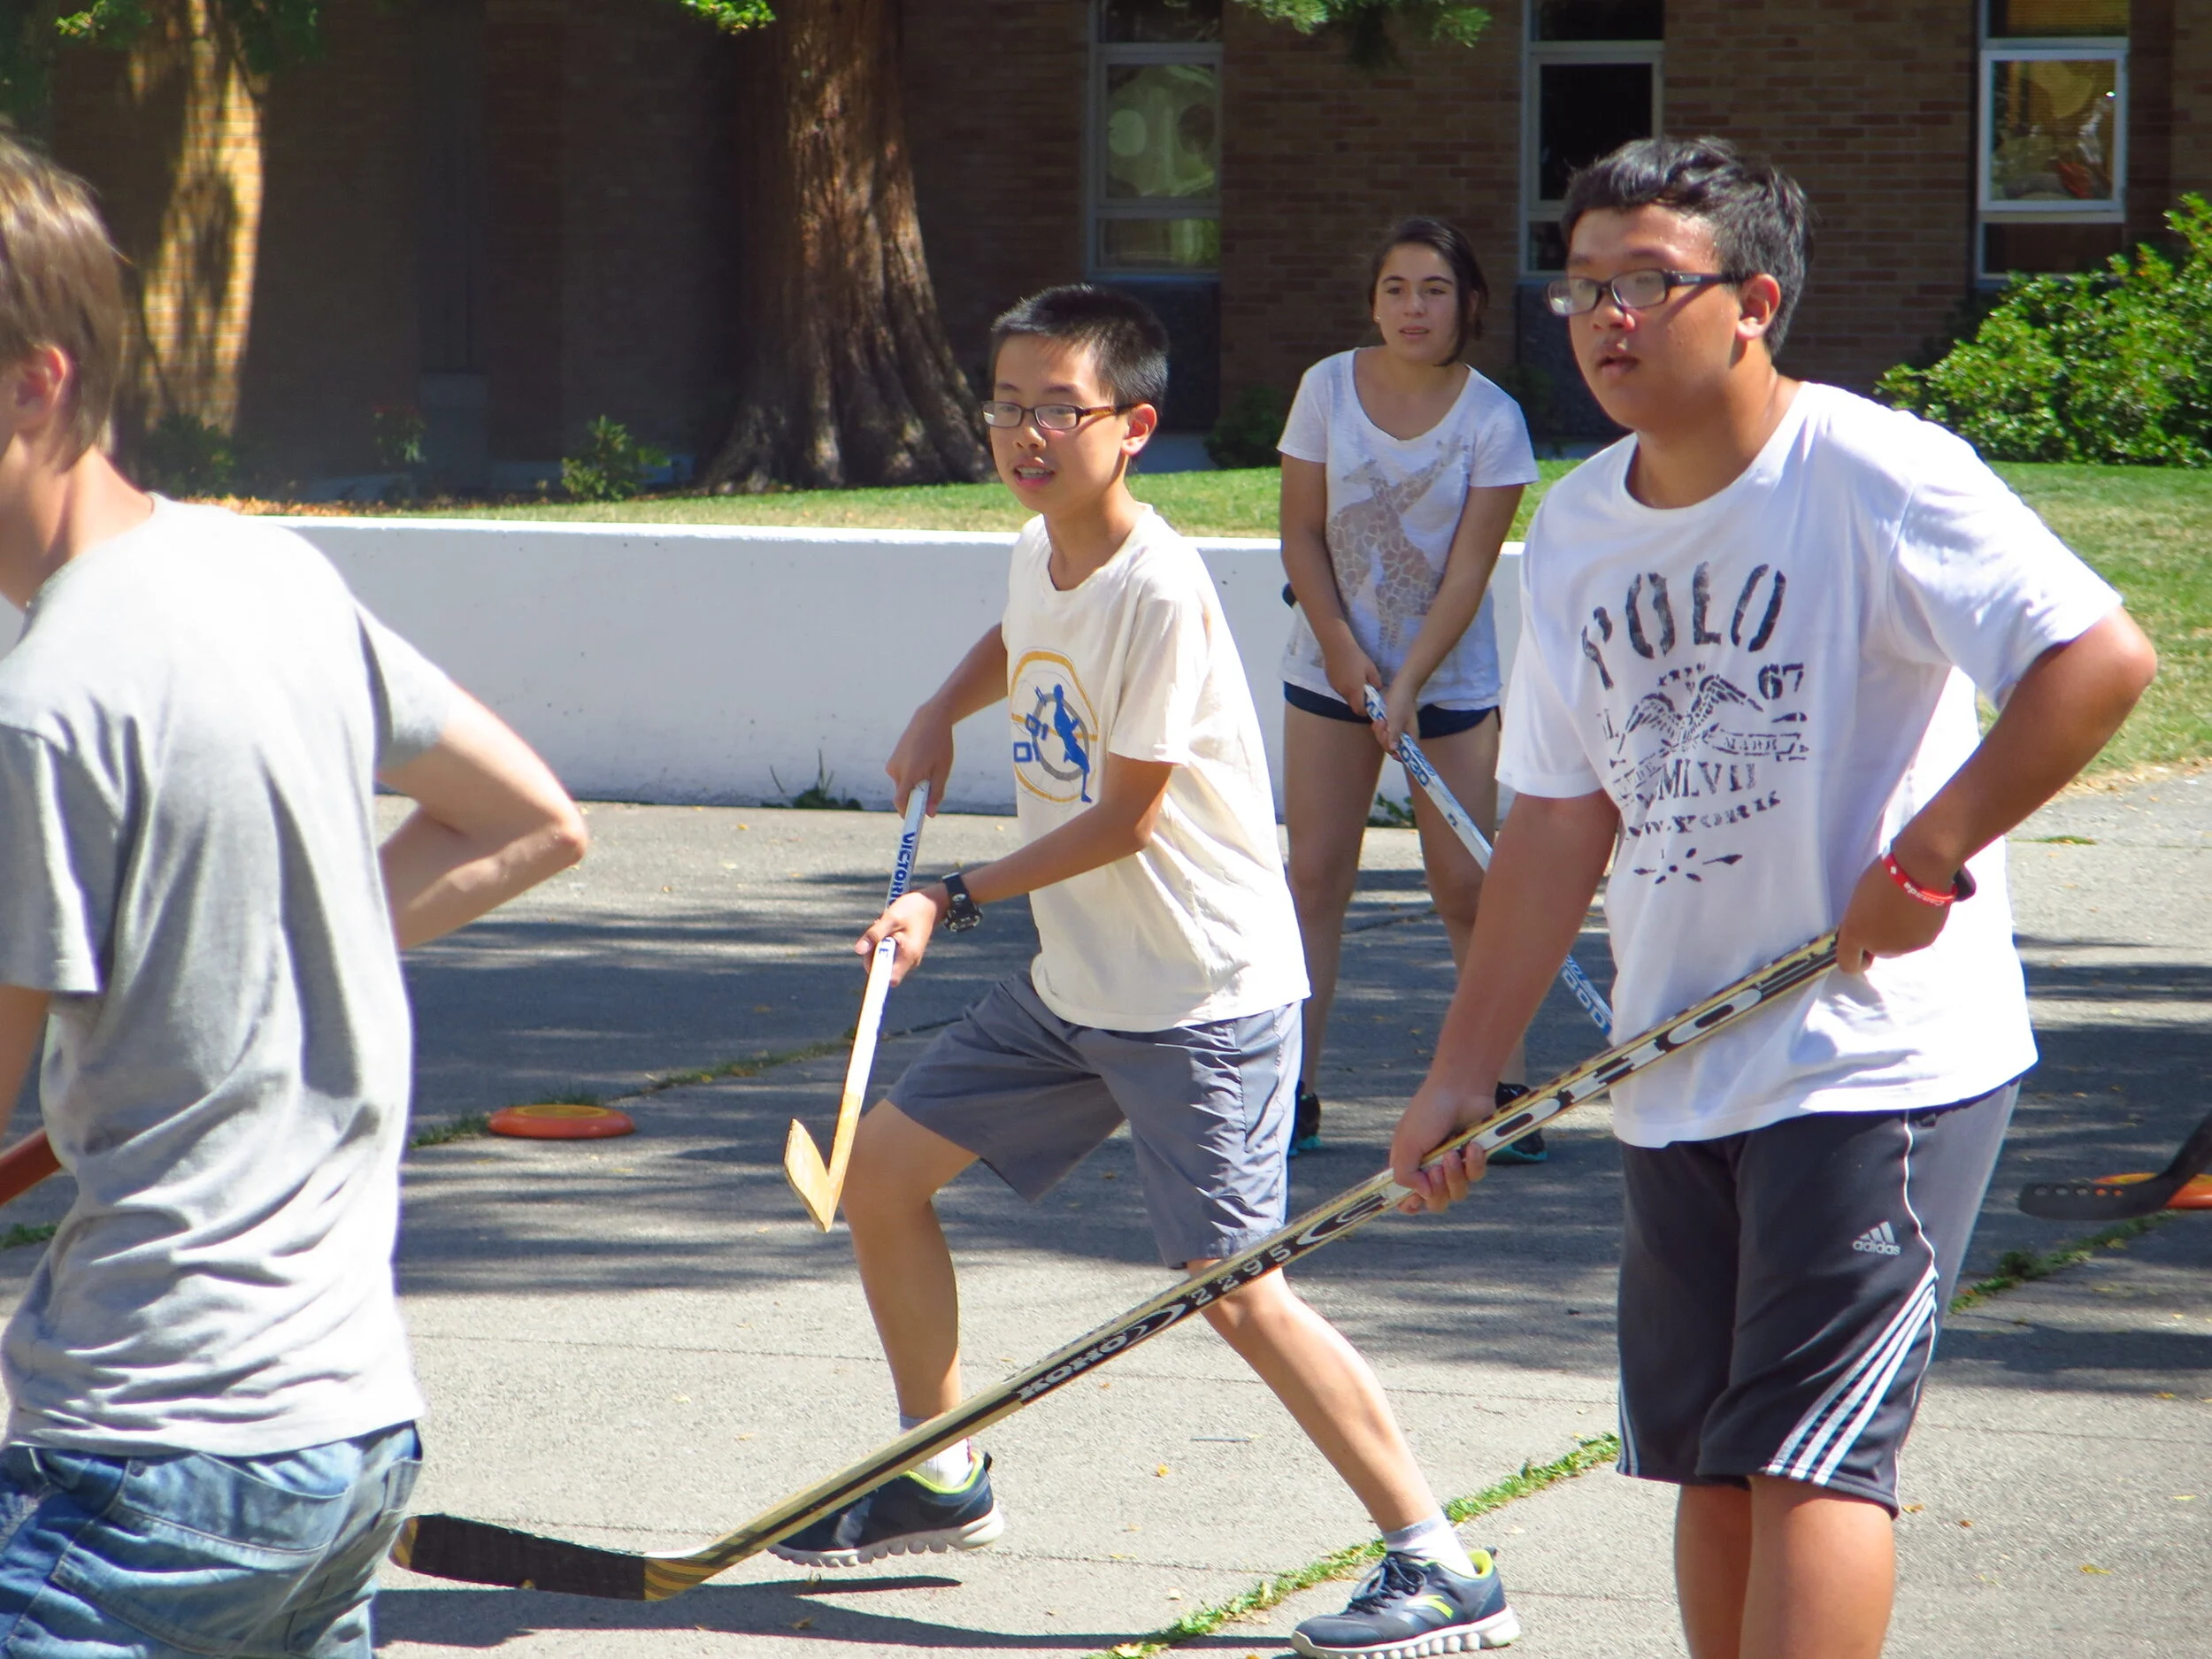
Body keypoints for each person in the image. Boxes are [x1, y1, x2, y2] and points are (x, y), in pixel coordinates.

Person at [1388, 137, 2155, 1659]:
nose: (1608, 316)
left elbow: (2098, 660)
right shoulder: (1585, 527)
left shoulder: (1871, 471)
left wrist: (1929, 853)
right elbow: (1557, 818)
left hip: (1875, 1057)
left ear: (1754, 302)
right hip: (1678, 1066)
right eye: (1584, 286)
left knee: (1815, 1460)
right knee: (1711, 1463)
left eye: (1648, 284)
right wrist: (1463, 1067)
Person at [769, 285, 1524, 1658]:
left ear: (1134, 427)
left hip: (1203, 997)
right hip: (1082, 982)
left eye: (1058, 407)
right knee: (879, 1175)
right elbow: (1023, 634)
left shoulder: (1162, 584)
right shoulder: (1040, 547)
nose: (1024, 431)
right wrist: (944, 706)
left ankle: (1443, 1560)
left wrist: (949, 893)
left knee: (1233, 1282)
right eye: (1006, 404)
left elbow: (1129, 817)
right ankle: (940, 1467)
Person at [0, 135, 588, 1655]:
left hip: (148, 1476)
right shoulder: (274, 578)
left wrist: (239, 962)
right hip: (350, 1452)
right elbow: (525, 818)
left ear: (35, 382)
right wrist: (255, 959)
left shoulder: (44, 705)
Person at [1277, 217, 1542, 1159]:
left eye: (1433, 289)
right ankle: (1288, 1094)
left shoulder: (1491, 420)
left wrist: (1410, 681)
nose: (1412, 308)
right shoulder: (1324, 389)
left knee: (1468, 887)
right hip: (1329, 673)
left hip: (1448, 680)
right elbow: (1301, 534)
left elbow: (1468, 574)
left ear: (1466, 303)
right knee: (1313, 877)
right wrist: (1346, 656)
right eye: (1395, 289)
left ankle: (1495, 1092)